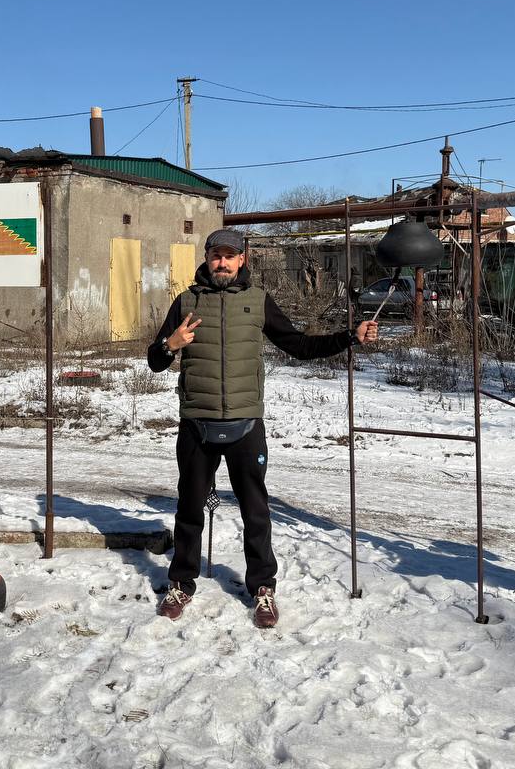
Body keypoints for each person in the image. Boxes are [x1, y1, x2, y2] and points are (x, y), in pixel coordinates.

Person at [146, 228, 379, 628]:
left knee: (256, 511)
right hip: (196, 425)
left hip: (245, 423)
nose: (222, 262)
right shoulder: (186, 301)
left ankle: (262, 589)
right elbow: (154, 360)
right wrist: (173, 343)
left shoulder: (258, 301)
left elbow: (299, 345)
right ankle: (181, 583)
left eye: (229, 256)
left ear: (242, 260)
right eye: (215, 255)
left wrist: (349, 338)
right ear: (207, 259)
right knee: (189, 508)